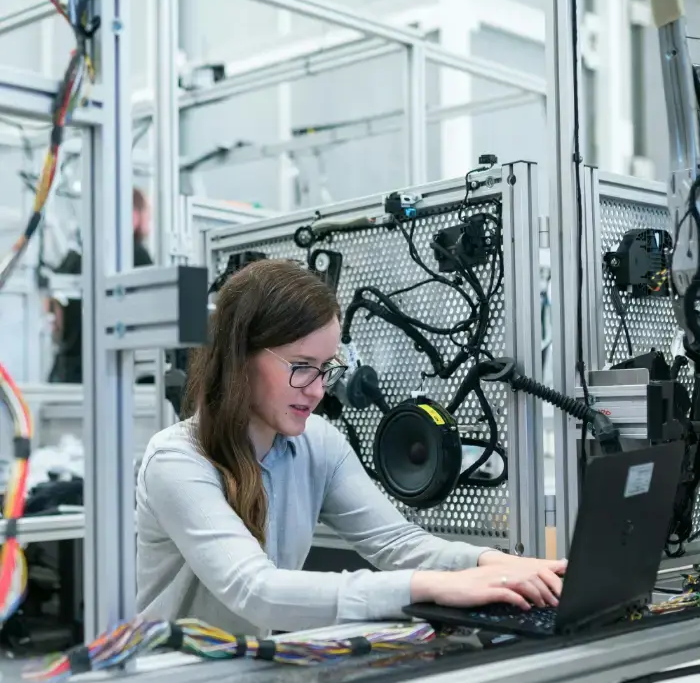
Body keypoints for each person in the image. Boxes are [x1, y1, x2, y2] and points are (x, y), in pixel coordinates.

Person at [135, 259, 566, 636]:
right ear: (239, 357)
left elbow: (399, 544)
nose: (318, 390)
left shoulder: (317, 444)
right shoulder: (177, 461)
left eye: (326, 369)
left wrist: (499, 565)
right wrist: (430, 587)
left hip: (246, 671)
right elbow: (256, 590)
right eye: (302, 367)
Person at [48, 187, 153, 383]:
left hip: (65, 373)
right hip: (110, 374)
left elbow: (53, 311)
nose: (149, 221)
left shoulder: (76, 256)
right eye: (146, 214)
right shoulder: (135, 254)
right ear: (133, 214)